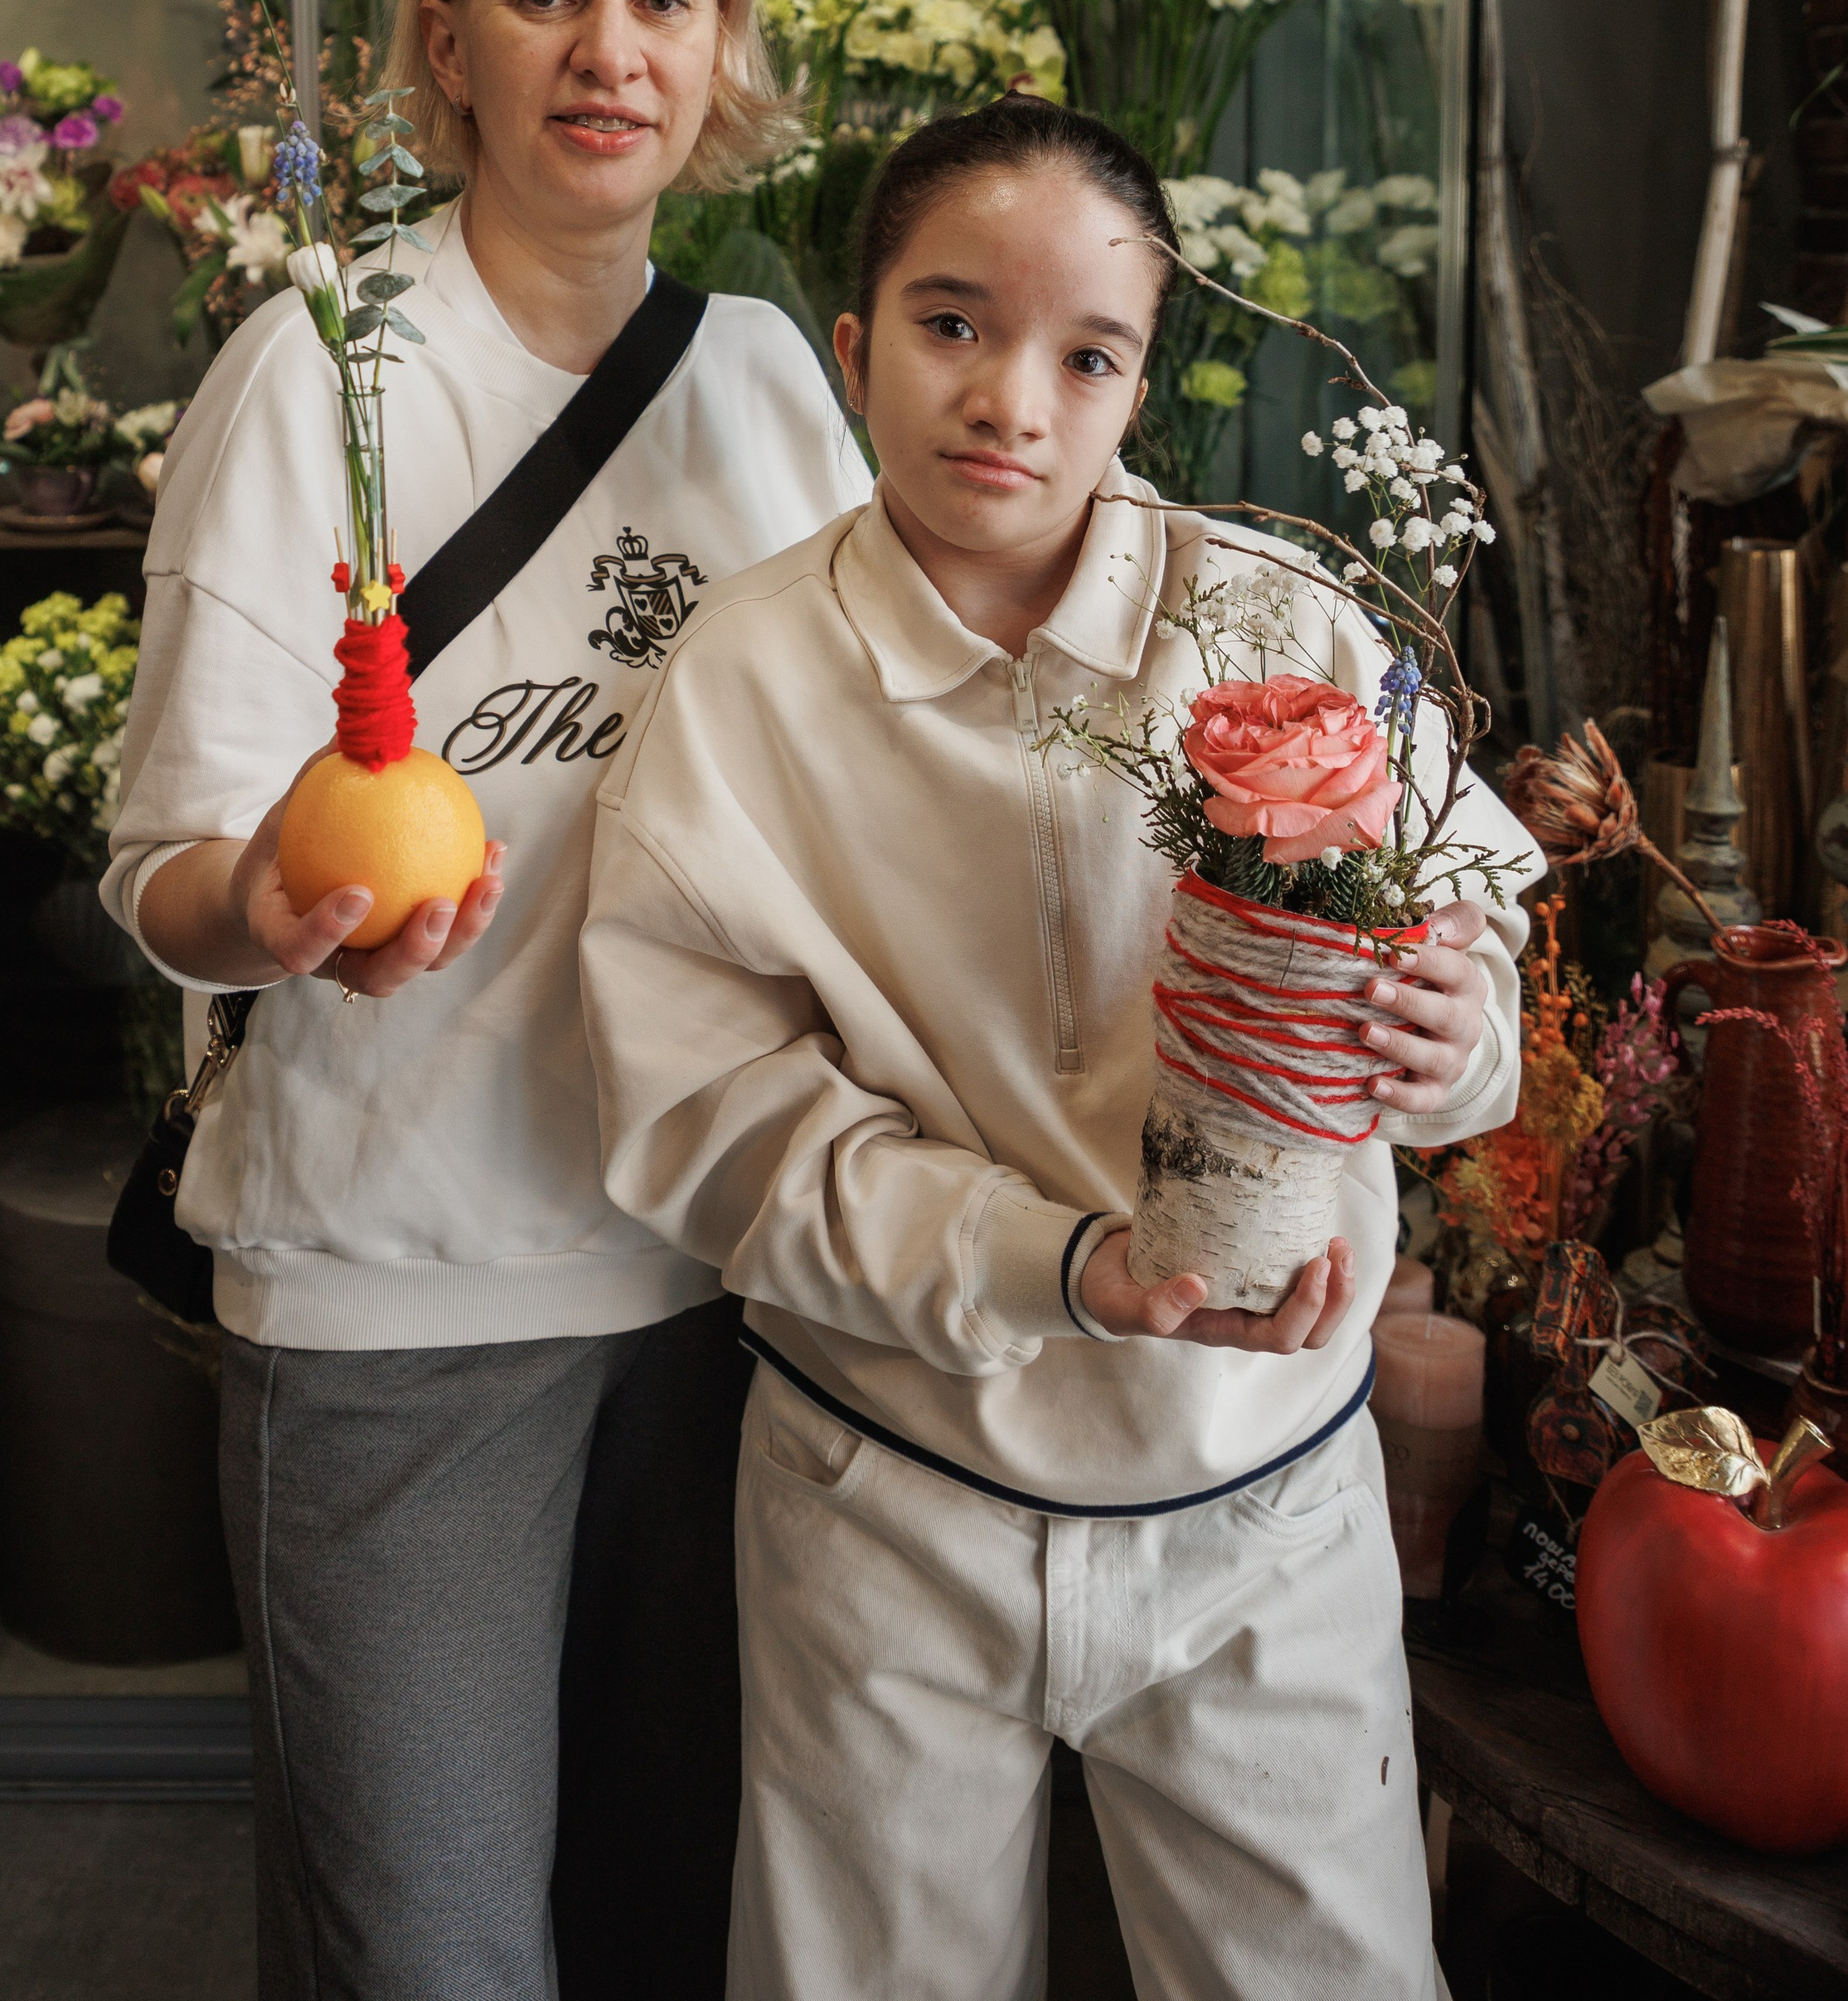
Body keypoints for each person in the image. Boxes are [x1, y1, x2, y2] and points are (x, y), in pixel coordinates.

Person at [578, 97, 1536, 2001]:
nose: (1009, 397)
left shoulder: (1279, 618)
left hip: (1261, 1497)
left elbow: (1469, 932)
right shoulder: (748, 681)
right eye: (949, 323)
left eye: (1082, 354)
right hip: (889, 1494)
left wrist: (1456, 1032)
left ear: (1136, 388)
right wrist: (1064, 1266)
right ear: (850, 348)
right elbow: (711, 1117)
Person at [103, 0, 868, 2001]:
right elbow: (155, 868)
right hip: (398, 1301)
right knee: (423, 1947)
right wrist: (267, 914)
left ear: (723, 46)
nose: (607, 49)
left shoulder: (767, 393)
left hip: (719, 1288)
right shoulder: (320, 372)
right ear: (448, 48)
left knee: (668, 1919)